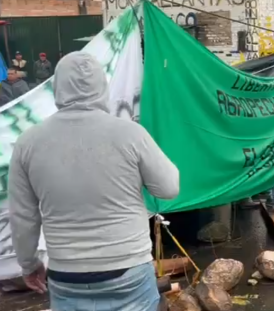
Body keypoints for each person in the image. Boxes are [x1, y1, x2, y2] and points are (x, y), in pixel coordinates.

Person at [9, 52, 179, 309]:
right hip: (128, 268)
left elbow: (23, 216)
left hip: (66, 274)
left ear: (57, 87)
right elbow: (169, 188)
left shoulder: (28, 142)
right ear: (102, 87)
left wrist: (29, 264)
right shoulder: (130, 134)